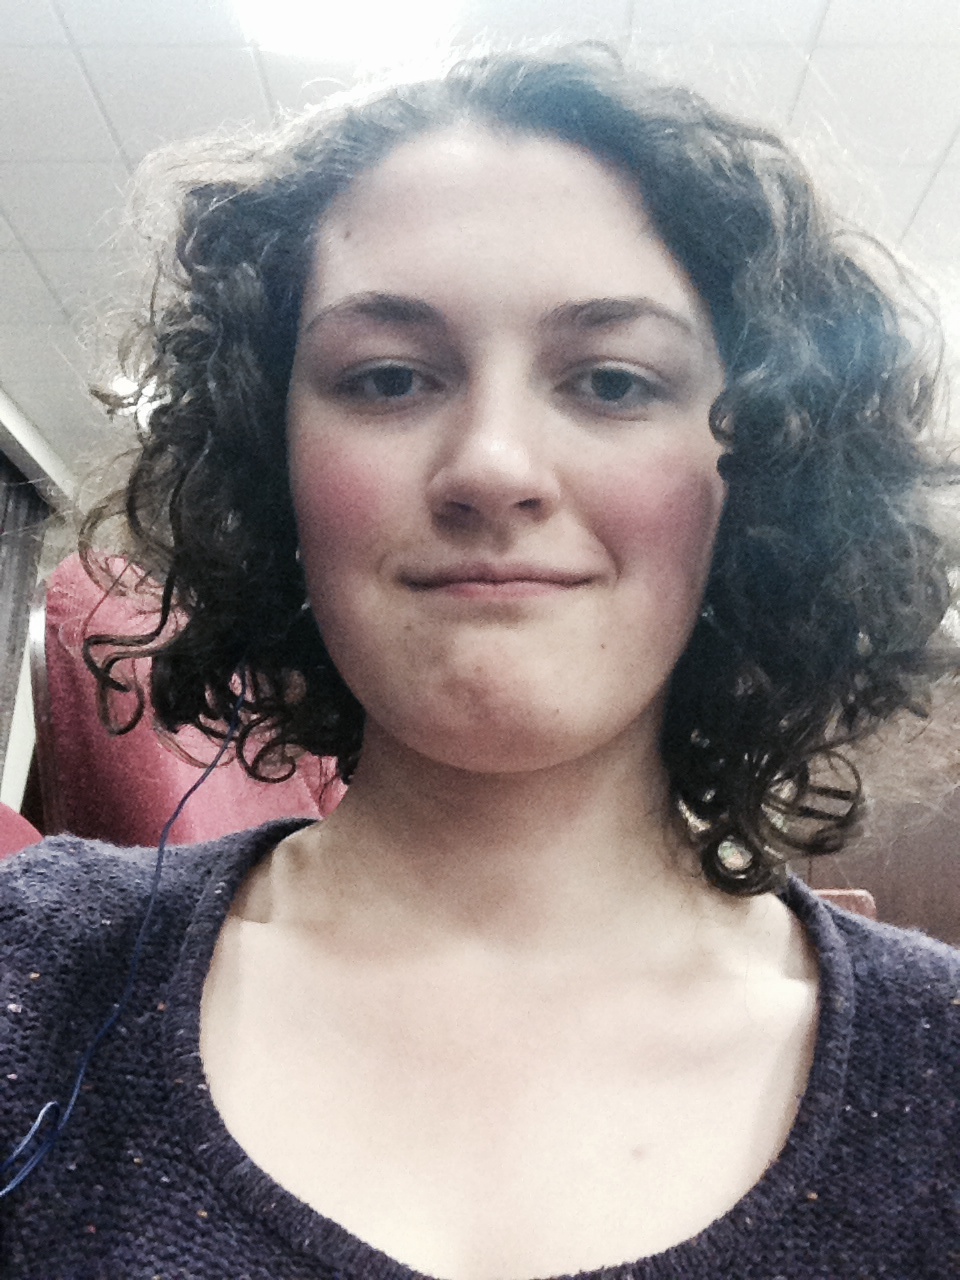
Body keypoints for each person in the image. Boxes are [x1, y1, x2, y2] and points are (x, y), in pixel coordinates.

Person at [1, 48, 958, 1279]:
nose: (493, 465)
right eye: (389, 377)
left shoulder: (937, 1071)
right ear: (272, 464)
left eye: (611, 381)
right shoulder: (32, 971)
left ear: (761, 479)